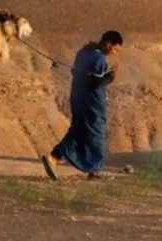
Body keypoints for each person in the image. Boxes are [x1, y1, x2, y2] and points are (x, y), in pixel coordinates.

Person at [42, 31, 123, 181]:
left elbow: (75, 72)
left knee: (79, 129)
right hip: (91, 102)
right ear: (108, 43)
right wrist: (112, 75)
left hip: (77, 97)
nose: (114, 52)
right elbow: (96, 83)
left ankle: (55, 157)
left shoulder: (83, 53)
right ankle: (93, 169)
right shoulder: (98, 58)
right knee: (96, 133)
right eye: (115, 49)